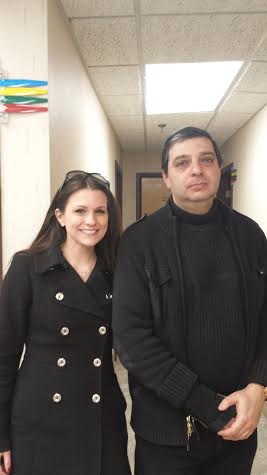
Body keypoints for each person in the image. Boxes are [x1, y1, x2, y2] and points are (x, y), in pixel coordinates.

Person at [112, 127, 267, 475]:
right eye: (182, 162)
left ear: (219, 169)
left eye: (206, 159)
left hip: (239, 430)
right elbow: (132, 340)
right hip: (167, 438)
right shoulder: (139, 242)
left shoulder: (251, 235)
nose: (196, 169)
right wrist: (208, 406)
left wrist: (259, 385)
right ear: (166, 177)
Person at [0, 171, 131, 475]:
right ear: (59, 216)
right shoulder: (28, 267)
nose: (92, 220)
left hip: (101, 413)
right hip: (40, 418)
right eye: (80, 211)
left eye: (100, 211)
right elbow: (4, 357)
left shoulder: (119, 270)